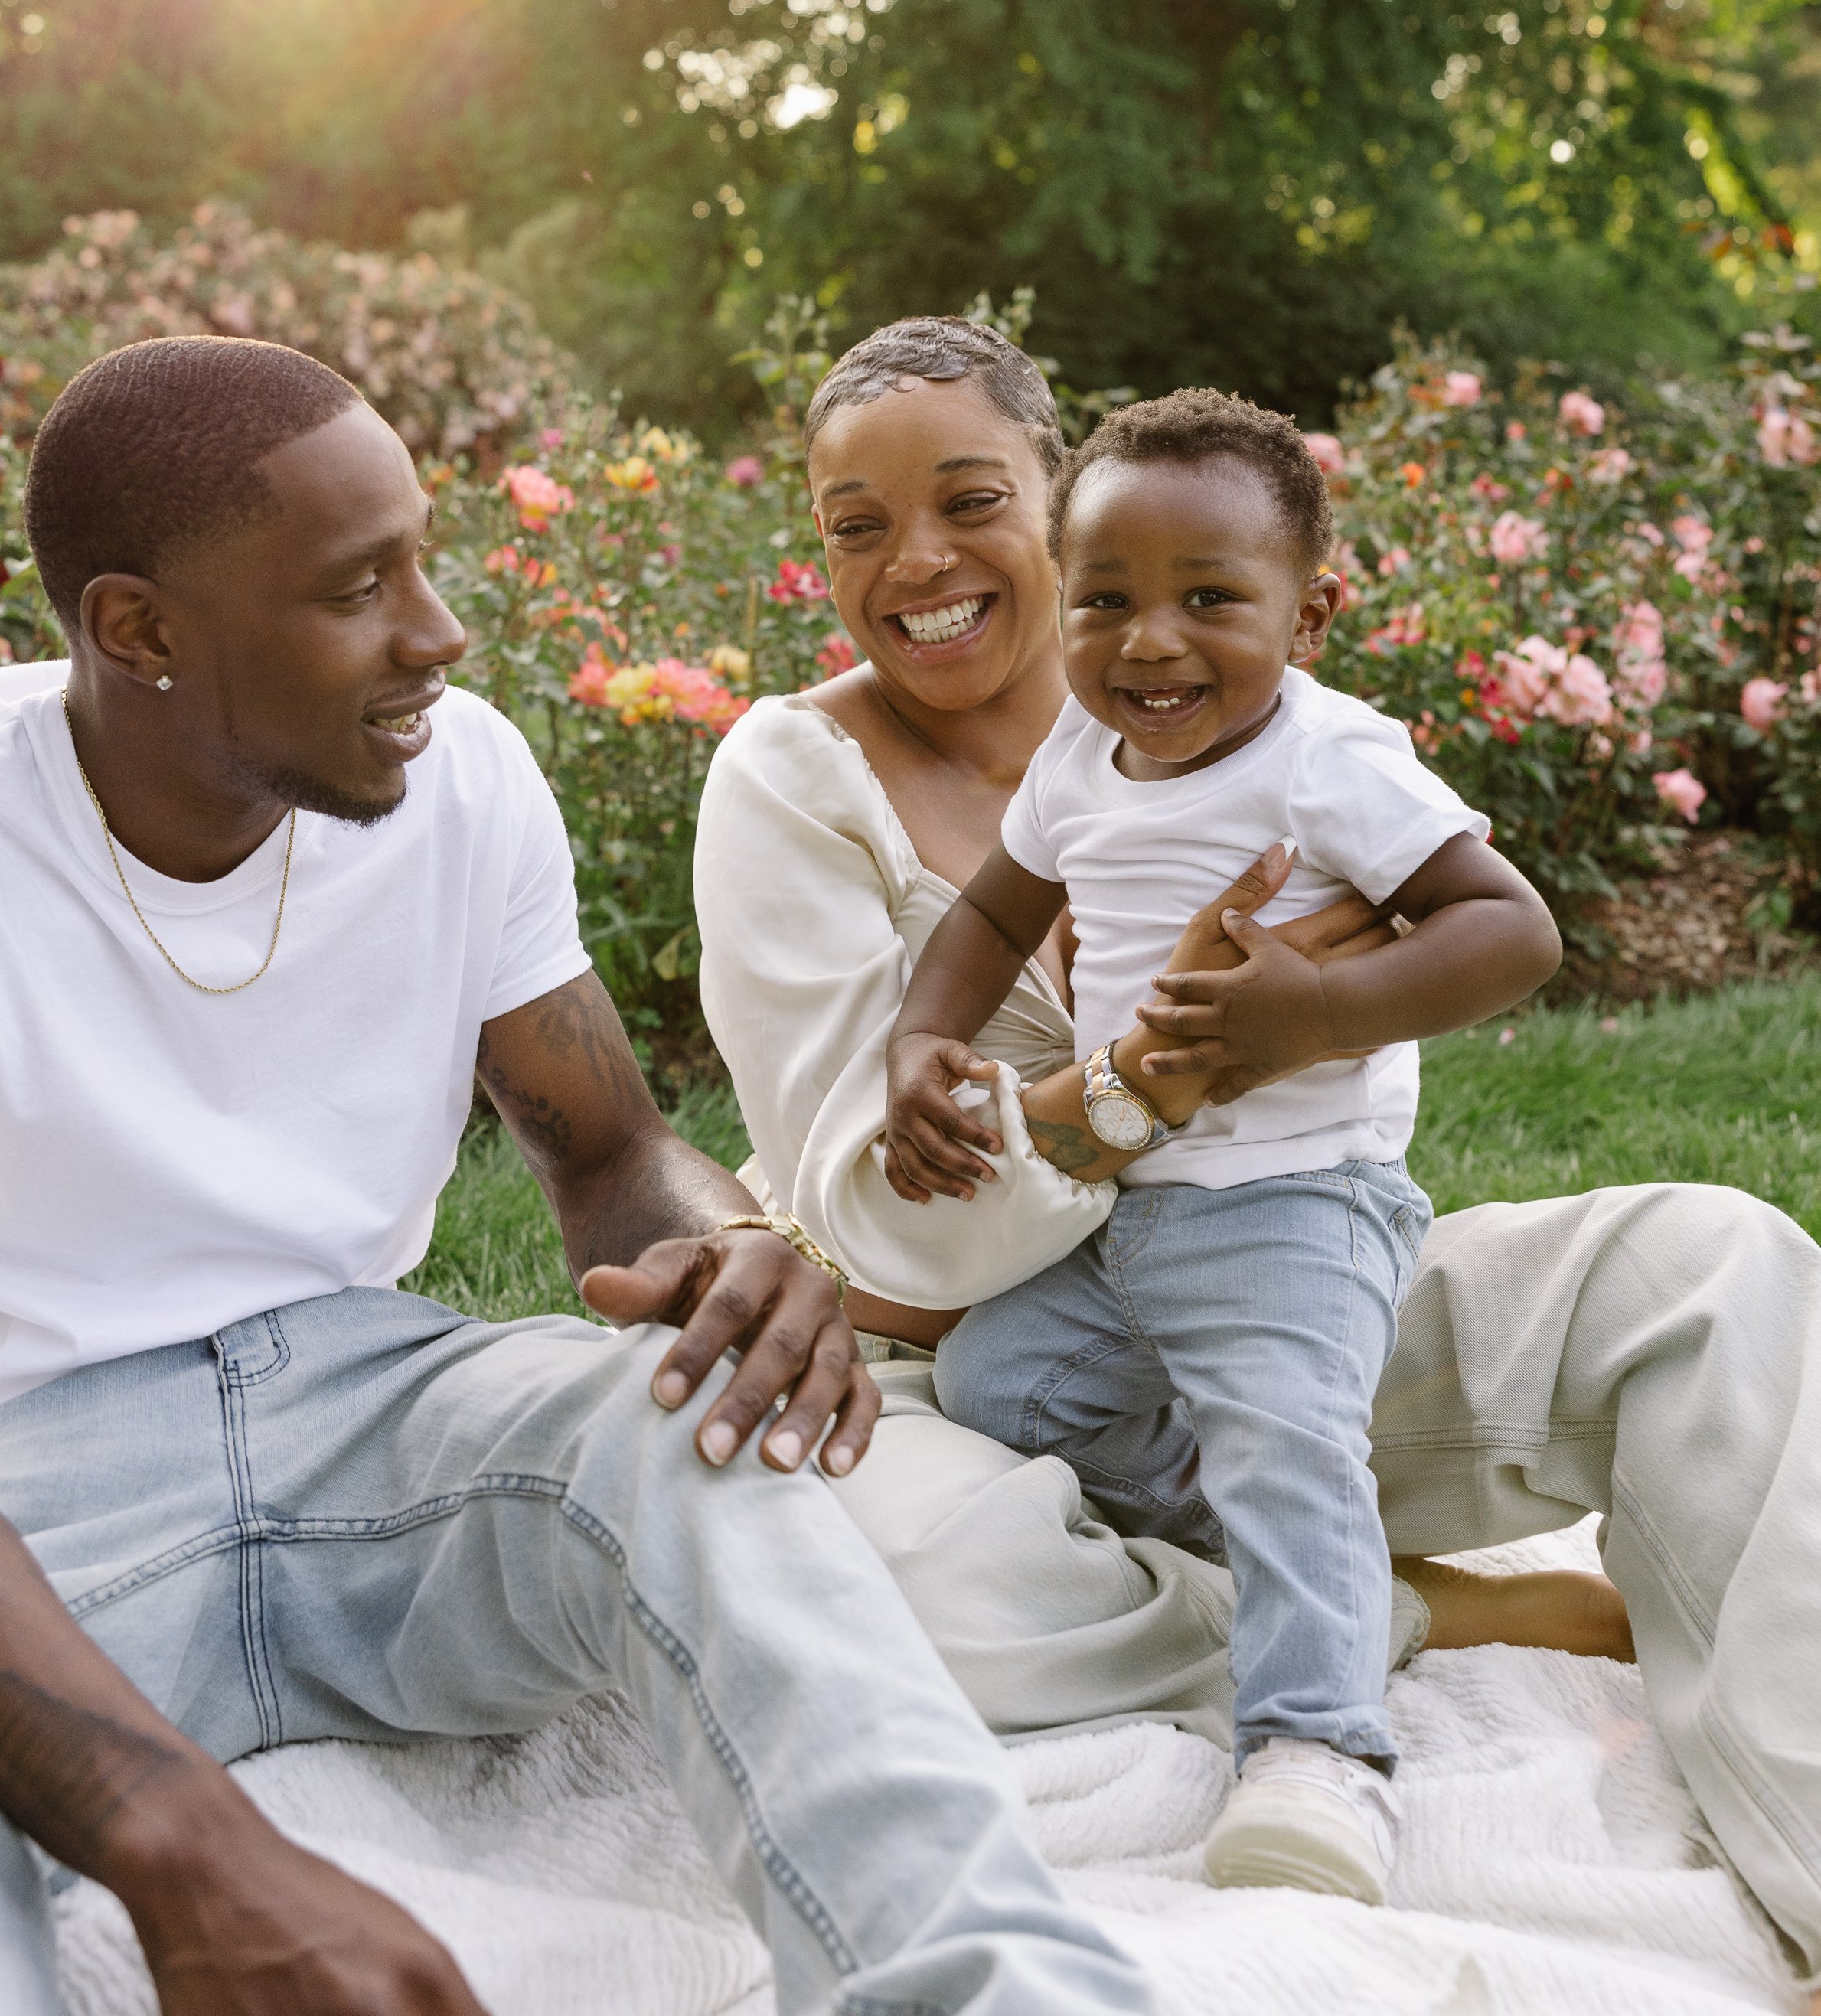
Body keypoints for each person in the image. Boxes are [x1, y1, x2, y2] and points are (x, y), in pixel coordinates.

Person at [0, 334, 1160, 2016]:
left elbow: (610, 1149)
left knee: (690, 1432)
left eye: (422, 561)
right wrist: (181, 1842)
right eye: (360, 590)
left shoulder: (462, 772)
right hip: (17, 1495)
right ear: (137, 630)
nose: (439, 634)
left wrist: (743, 1251)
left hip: (372, 1398)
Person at [694, 315, 1821, 1988]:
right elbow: (890, 1226)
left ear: (1051, 494)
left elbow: (1488, 934)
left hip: (1285, 1262)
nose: (914, 560)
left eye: (965, 498)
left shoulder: (1295, 746)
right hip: (991, 1388)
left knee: (1715, 1266)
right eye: (854, 525)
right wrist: (1138, 1083)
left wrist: (1324, 1005)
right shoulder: (799, 777)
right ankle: (1414, 1609)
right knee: (844, 1570)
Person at [884, 387, 1562, 1904]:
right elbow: (996, 912)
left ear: (1308, 613)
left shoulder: (1329, 760)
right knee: (999, 1382)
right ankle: (1314, 1555)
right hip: (1122, 1213)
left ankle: (1321, 1756)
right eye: (1108, 599)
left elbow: (1508, 930)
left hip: (1287, 1203)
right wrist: (918, 1038)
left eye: (1209, 599)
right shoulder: (1076, 756)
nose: (1150, 640)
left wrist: (1315, 1005)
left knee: (1276, 1433)